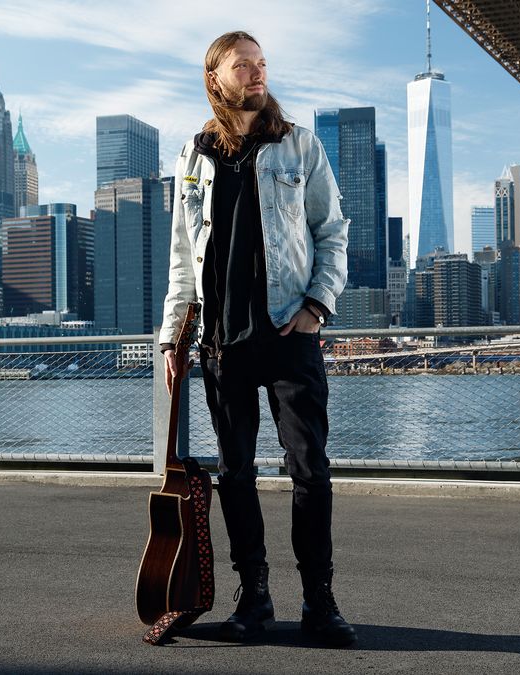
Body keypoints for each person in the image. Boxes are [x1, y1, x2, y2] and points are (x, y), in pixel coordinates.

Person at [158, 30, 354, 647]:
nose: (257, 74)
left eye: (262, 64)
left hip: (289, 331)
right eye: (243, 65)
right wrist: (172, 337)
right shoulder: (195, 156)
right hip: (222, 340)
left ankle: (319, 603)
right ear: (216, 76)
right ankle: (255, 598)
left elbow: (333, 232)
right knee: (235, 474)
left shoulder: (298, 145)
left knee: (310, 472)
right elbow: (183, 259)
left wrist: (318, 306)